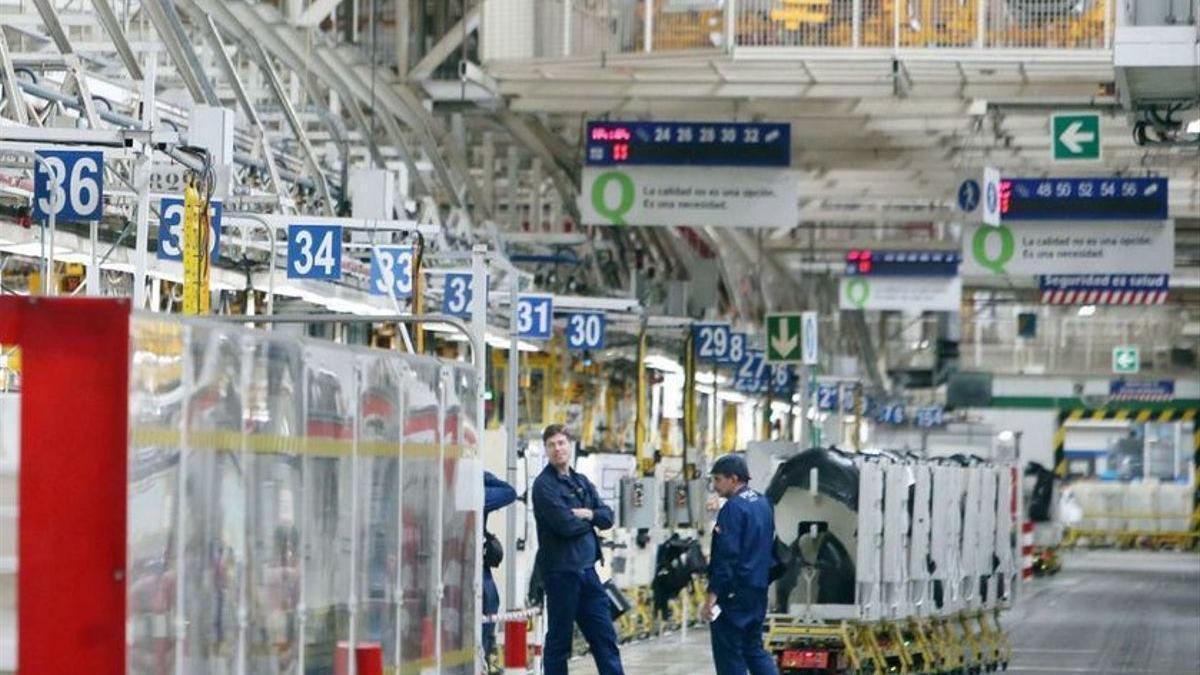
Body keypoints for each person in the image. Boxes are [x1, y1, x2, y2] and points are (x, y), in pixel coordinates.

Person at [531, 424, 625, 675]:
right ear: (546, 450)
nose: (557, 449)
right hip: (561, 574)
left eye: (561, 443)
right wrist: (591, 520)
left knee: (605, 637)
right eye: (551, 445)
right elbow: (564, 525)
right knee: (560, 642)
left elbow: (608, 517)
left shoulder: (580, 481)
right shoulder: (544, 486)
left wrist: (589, 514)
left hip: (588, 572)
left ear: (570, 445)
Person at [704, 453, 779, 675]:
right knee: (753, 649)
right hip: (757, 590)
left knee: (729, 656)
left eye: (718, 480)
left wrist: (712, 596)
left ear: (733, 479)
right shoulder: (763, 503)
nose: (715, 486)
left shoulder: (733, 509)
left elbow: (726, 556)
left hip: (734, 595)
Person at [483, 471, 517, 670]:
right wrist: (482, 477)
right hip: (473, 566)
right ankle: (484, 658)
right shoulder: (475, 491)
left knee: (490, 603)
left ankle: (485, 657)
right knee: (488, 604)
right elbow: (508, 492)